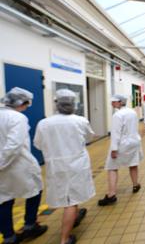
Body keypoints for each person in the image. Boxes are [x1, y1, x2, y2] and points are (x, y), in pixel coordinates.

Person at [34, 89, 95, 244]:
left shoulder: (44, 123)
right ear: (74, 104)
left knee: (66, 196)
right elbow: (89, 137)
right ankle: (64, 239)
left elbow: (38, 144)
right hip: (77, 165)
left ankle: (72, 216)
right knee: (71, 200)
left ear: (56, 104)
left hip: (56, 166)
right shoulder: (80, 121)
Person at [0, 87, 47, 244]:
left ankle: (8, 236)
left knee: (4, 199)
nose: (27, 107)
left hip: (4, 168)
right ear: (22, 102)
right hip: (18, 165)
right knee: (35, 191)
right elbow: (14, 145)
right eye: (27, 104)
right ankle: (30, 225)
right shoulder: (17, 118)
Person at [98, 94, 143, 206]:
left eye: (113, 102)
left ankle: (111, 195)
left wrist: (114, 149)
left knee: (112, 166)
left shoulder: (117, 115)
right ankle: (135, 184)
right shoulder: (132, 112)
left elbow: (116, 133)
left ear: (120, 102)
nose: (111, 104)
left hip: (123, 143)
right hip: (134, 141)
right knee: (133, 163)